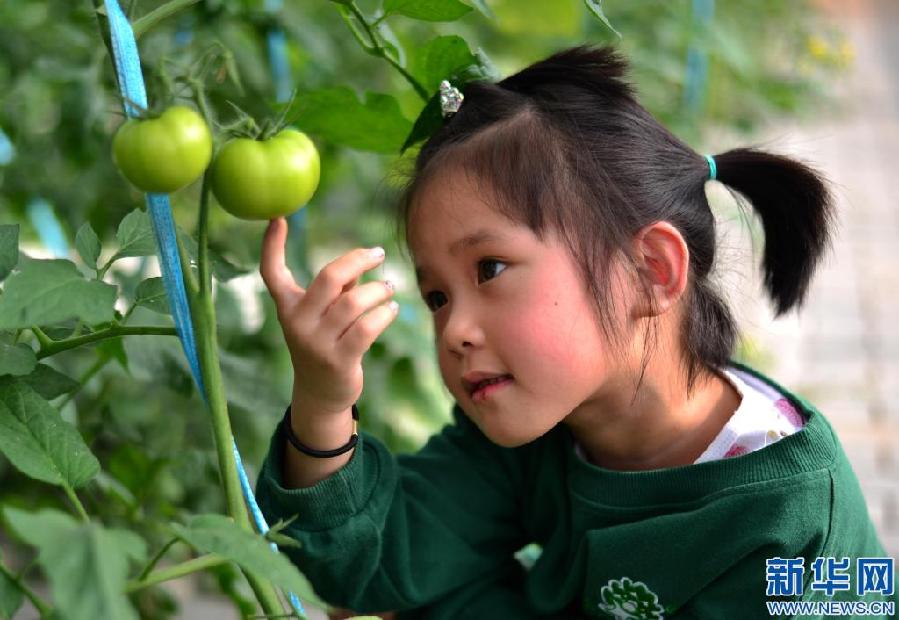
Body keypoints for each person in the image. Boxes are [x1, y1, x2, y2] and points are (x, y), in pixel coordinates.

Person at [254, 45, 896, 619]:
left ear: (650, 272)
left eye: (491, 268)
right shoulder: (537, 426)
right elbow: (372, 564)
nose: (454, 330)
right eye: (437, 296)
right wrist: (323, 403)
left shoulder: (793, 520)